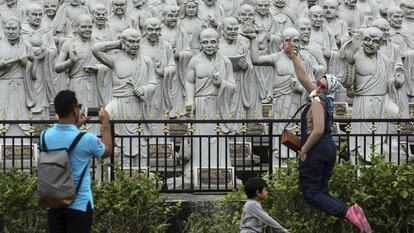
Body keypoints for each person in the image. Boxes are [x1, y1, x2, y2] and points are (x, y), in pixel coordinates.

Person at [284, 37, 372, 233]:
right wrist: (293, 55)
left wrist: (304, 150)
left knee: (312, 194)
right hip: (327, 149)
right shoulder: (322, 98)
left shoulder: (317, 101)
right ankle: (352, 212)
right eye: (318, 83)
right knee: (321, 191)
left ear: (328, 90)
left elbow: (318, 129)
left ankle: (349, 211)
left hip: (316, 148)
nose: (317, 86)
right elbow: (302, 76)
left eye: (322, 85)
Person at [42, 90, 112, 233]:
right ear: (75, 110)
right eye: (78, 106)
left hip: (54, 203)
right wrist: (105, 124)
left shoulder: (44, 136)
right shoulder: (87, 139)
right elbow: (107, 151)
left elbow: (65, 143)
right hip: (79, 205)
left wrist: (75, 126)